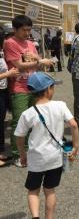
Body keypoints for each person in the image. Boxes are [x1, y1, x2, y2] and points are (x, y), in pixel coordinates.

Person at [14, 72, 79, 219]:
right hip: (55, 158)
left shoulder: (27, 114)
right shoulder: (60, 105)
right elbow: (74, 125)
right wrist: (75, 147)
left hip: (36, 159)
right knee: (50, 190)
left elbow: (19, 137)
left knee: (33, 190)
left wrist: (23, 155)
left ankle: (35, 217)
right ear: (48, 89)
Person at [4, 15, 54, 167]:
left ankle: (29, 150)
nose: (27, 33)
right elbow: (18, 65)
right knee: (19, 120)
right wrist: (38, 61)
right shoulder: (10, 43)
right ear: (15, 29)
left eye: (29, 30)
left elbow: (36, 64)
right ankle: (17, 154)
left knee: (35, 119)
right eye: (24, 30)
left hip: (33, 86)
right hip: (18, 87)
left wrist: (37, 60)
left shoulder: (31, 43)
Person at [0, 30, 20, 167]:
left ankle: (1, 152)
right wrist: (8, 73)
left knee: (1, 122)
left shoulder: (1, 53)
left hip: (3, 90)